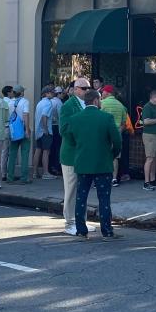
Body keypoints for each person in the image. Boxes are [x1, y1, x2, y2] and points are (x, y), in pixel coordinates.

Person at [63, 89, 124, 239]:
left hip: (83, 163)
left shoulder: (75, 118)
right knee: (104, 198)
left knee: (81, 197)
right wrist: (113, 154)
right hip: (102, 163)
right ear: (96, 101)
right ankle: (107, 230)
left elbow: (70, 139)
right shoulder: (106, 118)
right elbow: (117, 140)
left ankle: (81, 229)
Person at [57, 78, 90, 235]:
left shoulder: (87, 104)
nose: (87, 90)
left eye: (88, 88)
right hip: (71, 153)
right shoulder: (68, 106)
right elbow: (64, 130)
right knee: (71, 189)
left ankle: (81, 220)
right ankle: (70, 222)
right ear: (76, 89)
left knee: (82, 188)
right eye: (84, 88)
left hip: (83, 153)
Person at [99, 86, 131, 183]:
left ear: (108, 93)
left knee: (102, 156)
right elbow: (124, 123)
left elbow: (98, 119)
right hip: (117, 134)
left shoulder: (102, 103)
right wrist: (118, 132)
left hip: (104, 134)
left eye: (103, 92)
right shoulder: (121, 105)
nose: (102, 93)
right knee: (115, 157)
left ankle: (101, 178)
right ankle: (114, 178)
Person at [5, 85, 32, 183]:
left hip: (13, 130)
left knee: (12, 154)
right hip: (23, 129)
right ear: (21, 93)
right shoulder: (25, 101)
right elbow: (26, 115)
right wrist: (27, 130)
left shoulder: (9, 102)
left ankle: (10, 177)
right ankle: (24, 178)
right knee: (25, 154)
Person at [32, 85, 55, 180]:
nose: (53, 93)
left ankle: (34, 172)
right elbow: (44, 116)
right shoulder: (49, 103)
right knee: (46, 151)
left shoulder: (39, 103)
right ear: (46, 93)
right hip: (45, 131)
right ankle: (45, 172)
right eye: (51, 92)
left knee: (38, 150)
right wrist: (46, 129)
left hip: (38, 131)